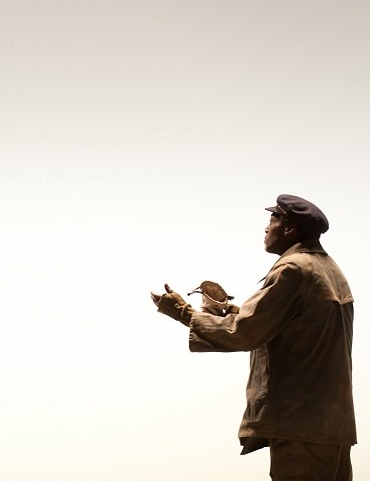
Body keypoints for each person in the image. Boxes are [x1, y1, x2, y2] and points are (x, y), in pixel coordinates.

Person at [150, 194, 356, 480]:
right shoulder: (329, 269)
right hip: (329, 425)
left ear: (289, 229)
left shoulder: (293, 269)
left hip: (299, 426)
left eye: (272, 219)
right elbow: (285, 323)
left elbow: (245, 332)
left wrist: (182, 312)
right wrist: (227, 311)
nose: (266, 227)